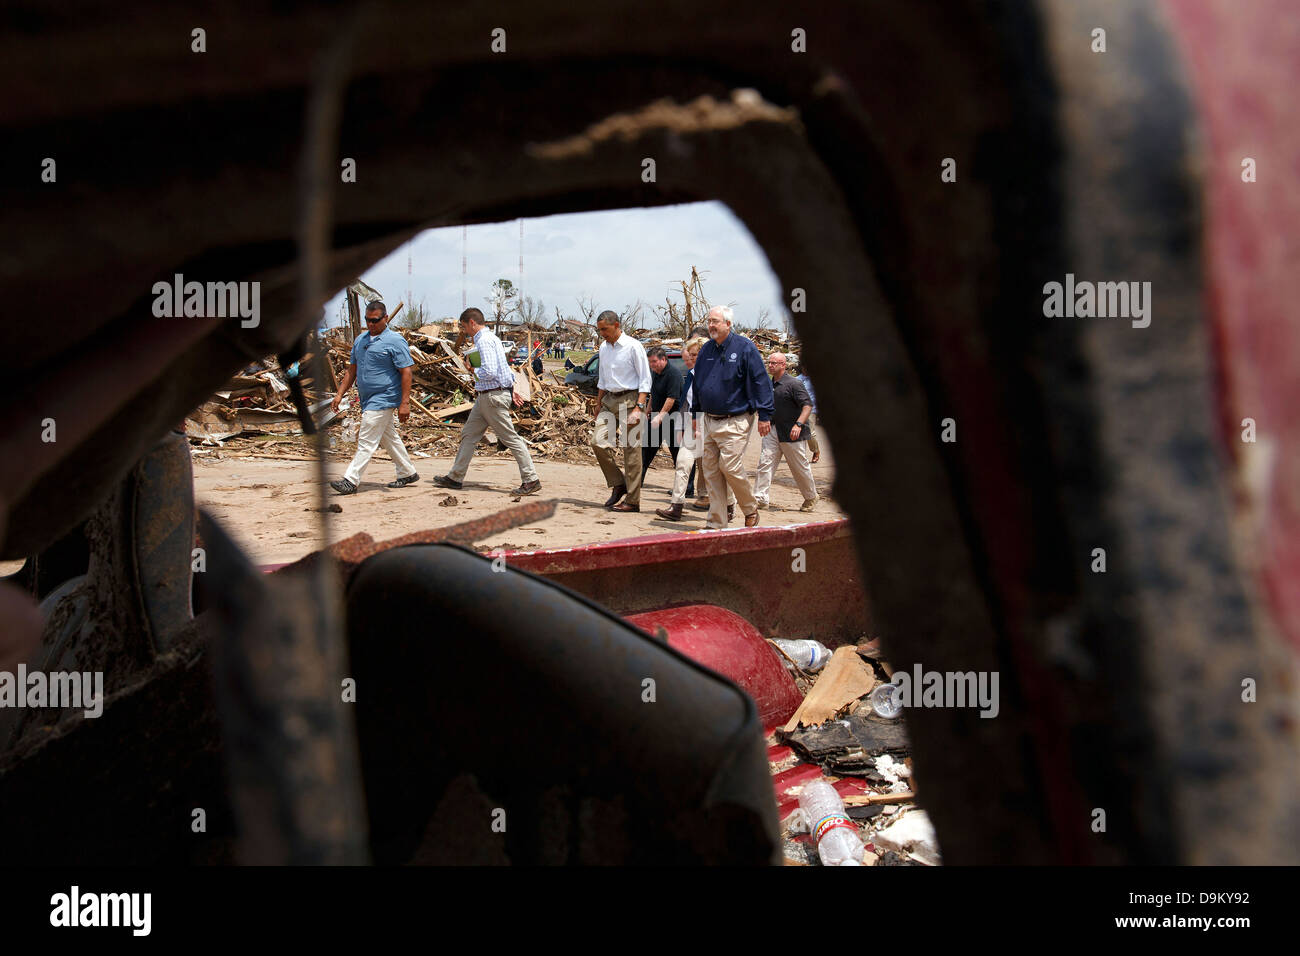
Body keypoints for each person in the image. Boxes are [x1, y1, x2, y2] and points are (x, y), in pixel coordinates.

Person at [433, 308, 541, 495]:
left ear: (472, 323)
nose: (465, 331)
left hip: (492, 396)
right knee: (469, 434)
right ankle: (455, 477)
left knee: (510, 439)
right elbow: (505, 369)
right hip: (488, 396)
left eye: (465, 326)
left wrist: (473, 370)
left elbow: (490, 371)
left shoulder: (483, 341)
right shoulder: (493, 339)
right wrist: (511, 388)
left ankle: (531, 479)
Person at [690, 306, 773, 529]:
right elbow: (698, 384)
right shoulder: (706, 350)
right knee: (711, 470)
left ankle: (749, 507)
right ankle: (716, 522)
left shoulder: (745, 348)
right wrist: (695, 413)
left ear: (728, 324)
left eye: (715, 321)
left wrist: (765, 415)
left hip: (736, 419)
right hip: (709, 419)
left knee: (729, 465)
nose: (711, 326)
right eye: (709, 321)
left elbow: (761, 382)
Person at [329, 300, 419, 494]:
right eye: (368, 321)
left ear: (385, 318)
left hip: (385, 397)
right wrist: (339, 394)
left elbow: (406, 372)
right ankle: (407, 472)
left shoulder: (395, 341)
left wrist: (405, 403)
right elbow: (351, 371)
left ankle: (351, 480)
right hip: (367, 399)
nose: (371, 325)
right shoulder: (360, 341)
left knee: (367, 439)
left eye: (375, 321)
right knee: (389, 438)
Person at [590, 310, 651, 512]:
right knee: (597, 442)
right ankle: (619, 483)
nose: (602, 334)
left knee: (631, 450)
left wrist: (639, 407)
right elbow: (602, 379)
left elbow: (645, 380)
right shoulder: (603, 348)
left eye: (605, 329)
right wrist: (598, 404)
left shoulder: (634, 346)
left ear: (616, 325)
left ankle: (633, 501)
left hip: (631, 400)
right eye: (600, 330)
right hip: (609, 399)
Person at [656, 337, 723, 520]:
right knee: (683, 462)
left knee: (714, 469)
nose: (691, 359)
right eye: (690, 355)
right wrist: (682, 428)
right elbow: (686, 403)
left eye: (694, 355)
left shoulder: (717, 373)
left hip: (712, 424)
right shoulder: (692, 375)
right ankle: (676, 505)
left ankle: (724, 506)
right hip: (692, 425)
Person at [753, 352, 818, 511]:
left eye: (774, 363)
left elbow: (807, 406)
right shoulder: (768, 384)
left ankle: (811, 497)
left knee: (799, 467)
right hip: (773, 430)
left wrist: (798, 424)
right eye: (769, 362)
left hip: (792, 432)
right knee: (765, 463)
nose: (770, 365)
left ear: (783, 365)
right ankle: (760, 498)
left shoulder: (794, 384)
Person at [641, 346, 684, 481]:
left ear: (664, 359)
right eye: (650, 362)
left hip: (673, 418)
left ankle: (686, 487)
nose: (651, 365)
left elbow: (671, 398)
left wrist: (660, 416)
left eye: (654, 361)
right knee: (646, 450)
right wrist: (648, 408)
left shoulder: (674, 374)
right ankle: (636, 481)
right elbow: (654, 393)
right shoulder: (655, 372)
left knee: (677, 453)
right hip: (656, 416)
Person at [791, 354, 821, 463]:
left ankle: (816, 450)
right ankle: (798, 454)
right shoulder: (796, 380)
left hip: (811, 410)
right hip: (797, 409)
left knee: (810, 433)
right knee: (796, 432)